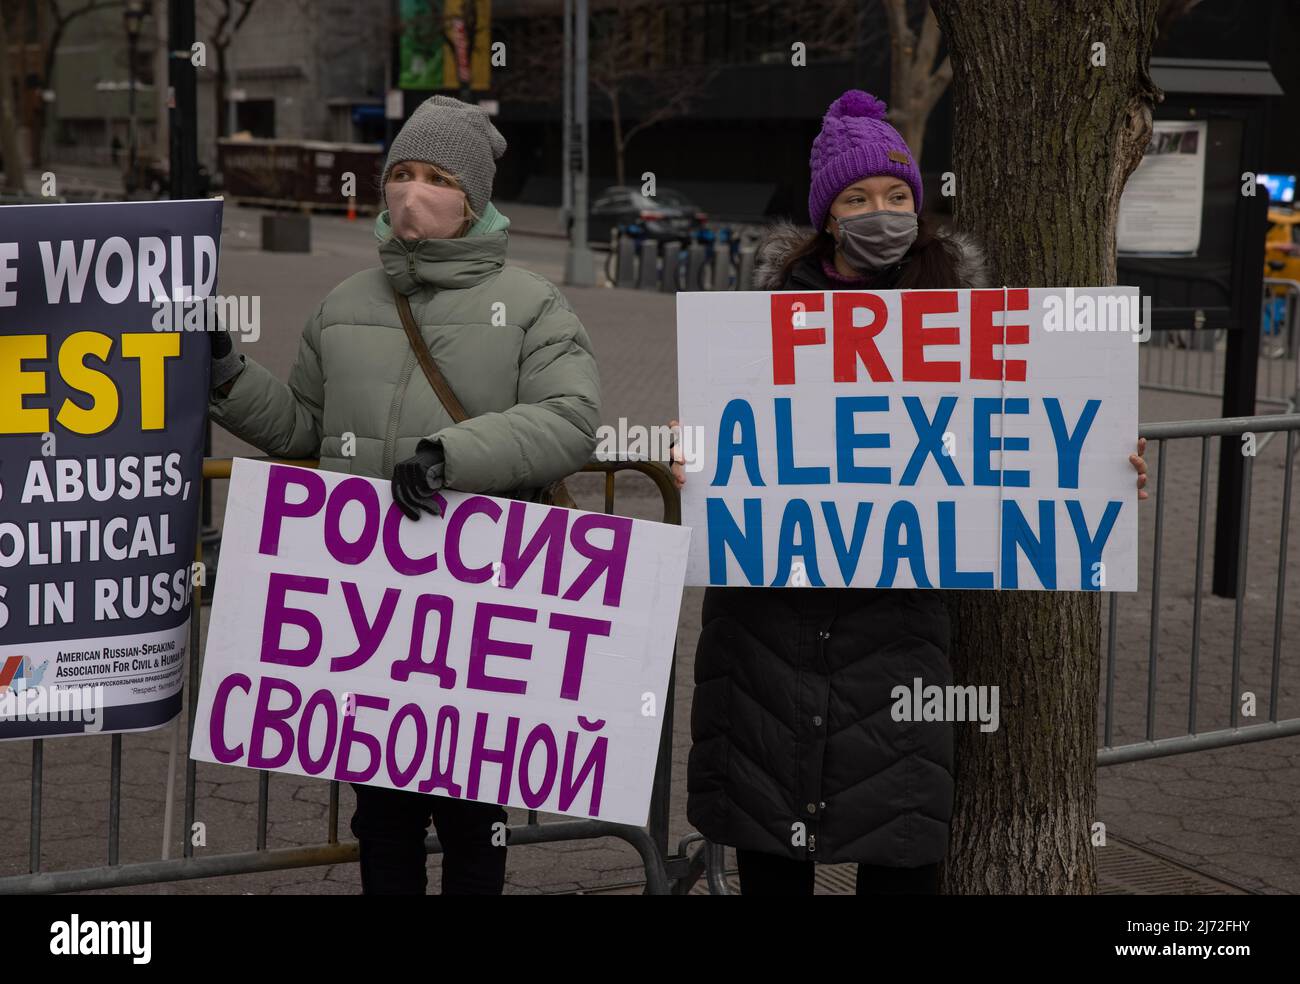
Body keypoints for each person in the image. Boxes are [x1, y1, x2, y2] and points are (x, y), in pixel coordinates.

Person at [671, 89, 1148, 896]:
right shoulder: (762, 320)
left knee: (900, 845)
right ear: (828, 216)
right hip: (768, 636)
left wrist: (1103, 462)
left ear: (919, 206)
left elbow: (1029, 441)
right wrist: (691, 463)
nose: (880, 212)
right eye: (857, 198)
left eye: (896, 195)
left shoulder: (969, 320)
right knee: (770, 847)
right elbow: (733, 435)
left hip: (896, 635)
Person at [205, 95, 602, 895]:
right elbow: (303, 429)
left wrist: (448, 455)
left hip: (475, 611)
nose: (412, 193)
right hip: (372, 613)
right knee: (381, 818)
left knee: (470, 820)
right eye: (401, 174)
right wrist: (228, 375)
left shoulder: (531, 305)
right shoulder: (344, 303)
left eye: (437, 178)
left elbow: (572, 420)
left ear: (476, 199)